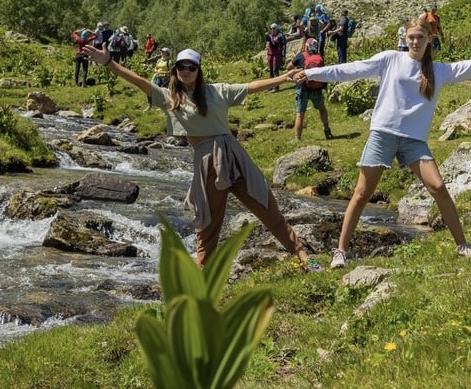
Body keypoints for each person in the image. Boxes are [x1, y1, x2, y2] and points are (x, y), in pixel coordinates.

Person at [292, 17, 471, 266]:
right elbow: (351, 69)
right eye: (411, 38)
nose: (415, 42)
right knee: (362, 193)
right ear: (405, 40)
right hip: (383, 133)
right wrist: (310, 73)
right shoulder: (390, 60)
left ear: (430, 39)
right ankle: (340, 252)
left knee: (438, 187)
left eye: (420, 37)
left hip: (414, 140)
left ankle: (462, 244)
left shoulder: (439, 71)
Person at [83, 43, 322, 271]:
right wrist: (110, 63)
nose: (186, 71)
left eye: (191, 67)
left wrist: (284, 77)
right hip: (208, 164)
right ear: (175, 70)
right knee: (208, 226)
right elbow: (140, 82)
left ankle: (304, 257)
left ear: (199, 70)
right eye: (181, 67)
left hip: (235, 157)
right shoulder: (170, 98)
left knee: (267, 207)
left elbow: (251, 86)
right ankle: (203, 280)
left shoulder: (217, 91)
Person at [287, 38, 333, 142]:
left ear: (306, 46)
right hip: (317, 89)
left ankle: (297, 138)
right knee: (322, 108)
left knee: (300, 114)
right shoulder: (320, 57)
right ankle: (327, 130)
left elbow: (288, 67)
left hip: (303, 88)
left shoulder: (302, 56)